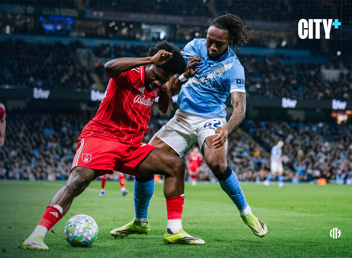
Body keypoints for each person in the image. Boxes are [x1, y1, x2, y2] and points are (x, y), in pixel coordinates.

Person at [23, 41, 204, 251]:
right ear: (153, 64)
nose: (157, 81)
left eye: (163, 78)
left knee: (174, 164)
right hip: (101, 138)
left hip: (131, 147)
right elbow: (109, 67)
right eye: (157, 75)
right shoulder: (131, 73)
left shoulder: (158, 85)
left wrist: (174, 82)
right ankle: (37, 235)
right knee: (79, 180)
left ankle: (174, 230)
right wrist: (150, 61)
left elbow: (164, 106)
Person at [111, 14, 267, 239]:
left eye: (218, 43)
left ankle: (247, 213)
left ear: (230, 41)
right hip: (183, 117)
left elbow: (239, 107)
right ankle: (140, 221)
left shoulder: (235, 68)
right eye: (209, 40)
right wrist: (184, 75)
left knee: (216, 163)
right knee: (143, 162)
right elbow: (169, 88)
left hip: (211, 119)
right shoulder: (194, 47)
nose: (211, 46)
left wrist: (227, 128)